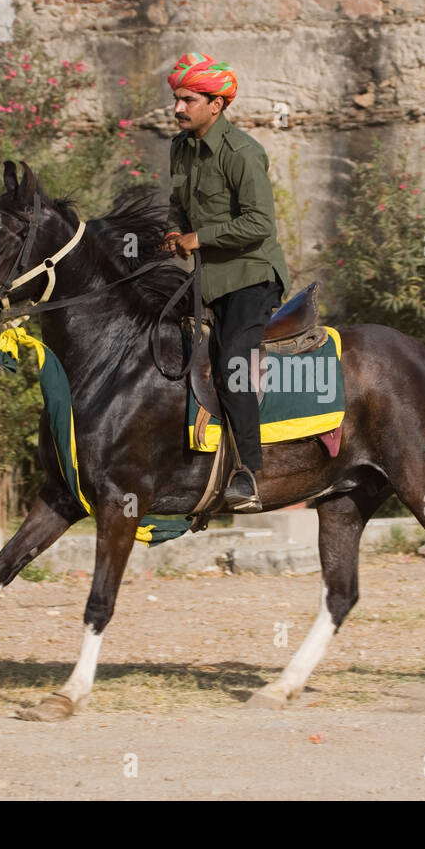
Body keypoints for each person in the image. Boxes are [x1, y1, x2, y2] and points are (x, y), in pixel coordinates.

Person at [161, 52, 290, 513]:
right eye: (176, 99)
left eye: (188, 100)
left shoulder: (243, 153)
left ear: (216, 105)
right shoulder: (180, 148)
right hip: (205, 278)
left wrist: (200, 238)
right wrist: (176, 230)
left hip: (251, 277)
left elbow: (259, 224)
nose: (178, 109)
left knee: (233, 363)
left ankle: (248, 474)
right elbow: (179, 202)